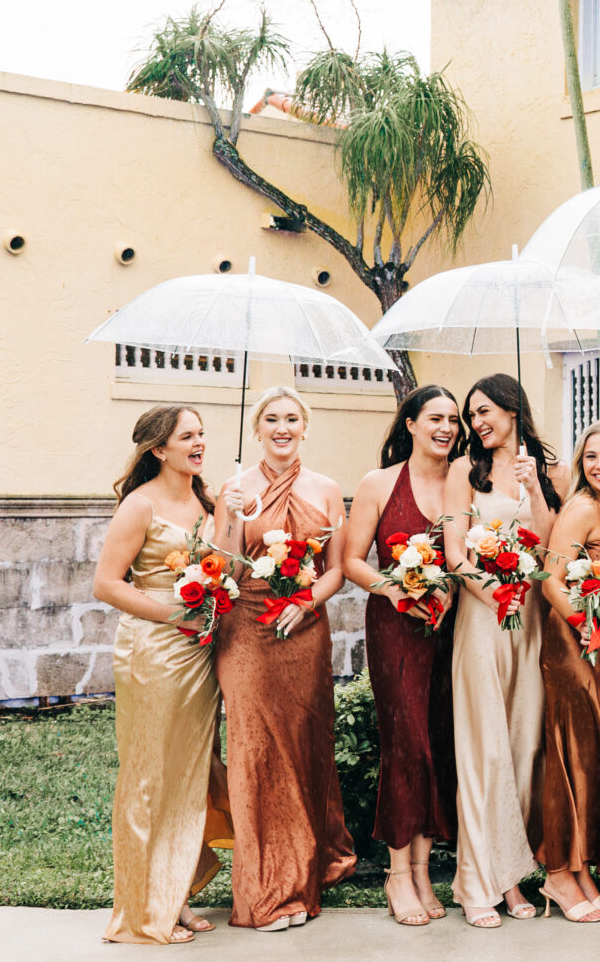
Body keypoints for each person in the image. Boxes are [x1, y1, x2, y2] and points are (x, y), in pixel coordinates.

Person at [211, 387, 356, 930]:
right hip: (245, 629)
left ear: (304, 427)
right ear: (256, 429)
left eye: (292, 418)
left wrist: (306, 601)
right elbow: (220, 567)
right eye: (271, 418)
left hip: (304, 628)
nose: (282, 427)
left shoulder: (326, 487)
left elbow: (336, 569)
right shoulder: (234, 488)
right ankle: (265, 892)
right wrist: (227, 516)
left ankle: (304, 872)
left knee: (303, 744)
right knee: (254, 748)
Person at [95, 405, 230, 945]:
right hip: (152, 650)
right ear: (158, 449)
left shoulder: (208, 501)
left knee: (189, 774)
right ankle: (143, 909)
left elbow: (227, 565)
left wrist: (234, 520)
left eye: (201, 435)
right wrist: (176, 614)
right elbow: (107, 584)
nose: (199, 444)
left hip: (198, 654)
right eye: (187, 437)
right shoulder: (139, 504)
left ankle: (176, 893)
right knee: (148, 775)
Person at [340, 385, 462, 926]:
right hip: (395, 626)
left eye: (455, 420)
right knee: (406, 741)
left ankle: (423, 867)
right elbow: (351, 561)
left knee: (440, 739)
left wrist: (451, 591)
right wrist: (395, 590)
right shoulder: (379, 483)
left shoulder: (464, 483)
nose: (448, 428)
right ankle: (396, 873)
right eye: (435, 417)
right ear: (409, 422)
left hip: (450, 626)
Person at [440, 374, 559, 927]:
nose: (476, 423)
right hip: (484, 616)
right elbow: (455, 552)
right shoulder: (465, 471)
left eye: (484, 411)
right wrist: (488, 590)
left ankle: (511, 879)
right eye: (472, 416)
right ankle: (475, 885)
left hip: (531, 618)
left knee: (521, 746)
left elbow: (554, 543)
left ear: (514, 409)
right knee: (483, 750)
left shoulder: (546, 468)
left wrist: (534, 487)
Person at [533, 419, 600, 923]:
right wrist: (585, 628)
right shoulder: (582, 509)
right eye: (591, 456)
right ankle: (558, 873)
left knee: (596, 756)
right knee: (572, 752)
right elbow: (550, 578)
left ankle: (583, 871)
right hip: (575, 640)